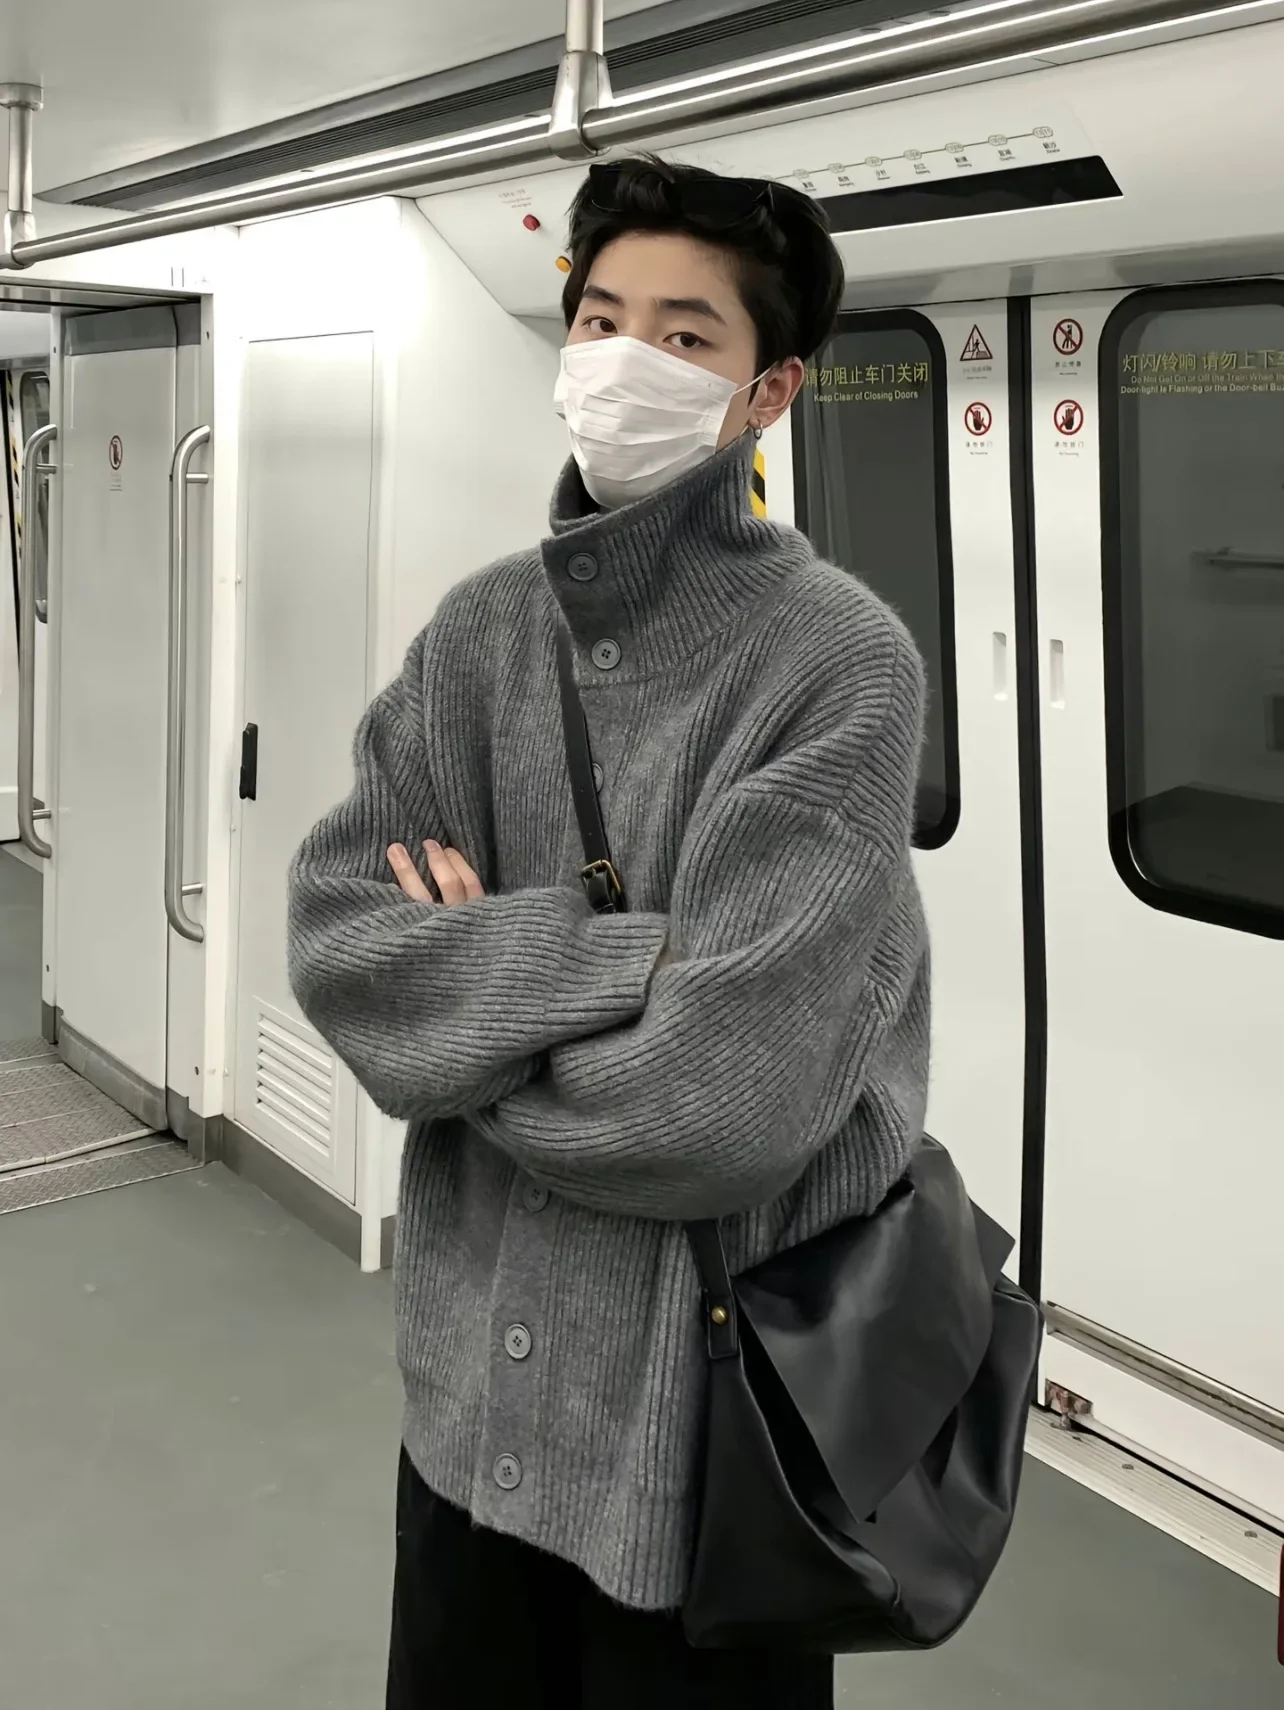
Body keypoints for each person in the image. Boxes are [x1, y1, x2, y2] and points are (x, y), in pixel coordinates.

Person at [288, 157, 929, 1709]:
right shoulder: (479, 635)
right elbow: (342, 946)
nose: (624, 360)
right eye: (599, 318)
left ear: (768, 390)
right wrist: (625, 959)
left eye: (685, 336)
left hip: (705, 1452)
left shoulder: (837, 666)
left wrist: (470, 1017)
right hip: (464, 1426)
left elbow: (718, 1108)